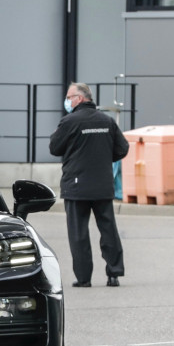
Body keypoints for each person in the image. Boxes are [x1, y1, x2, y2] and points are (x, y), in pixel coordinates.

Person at [49, 82, 129, 287]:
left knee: (79, 234)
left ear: (80, 99)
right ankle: (114, 273)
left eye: (69, 97)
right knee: (108, 229)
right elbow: (122, 149)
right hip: (102, 185)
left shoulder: (69, 121)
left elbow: (55, 148)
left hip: (76, 187)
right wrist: (102, 158)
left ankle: (84, 278)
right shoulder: (107, 121)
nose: (67, 101)